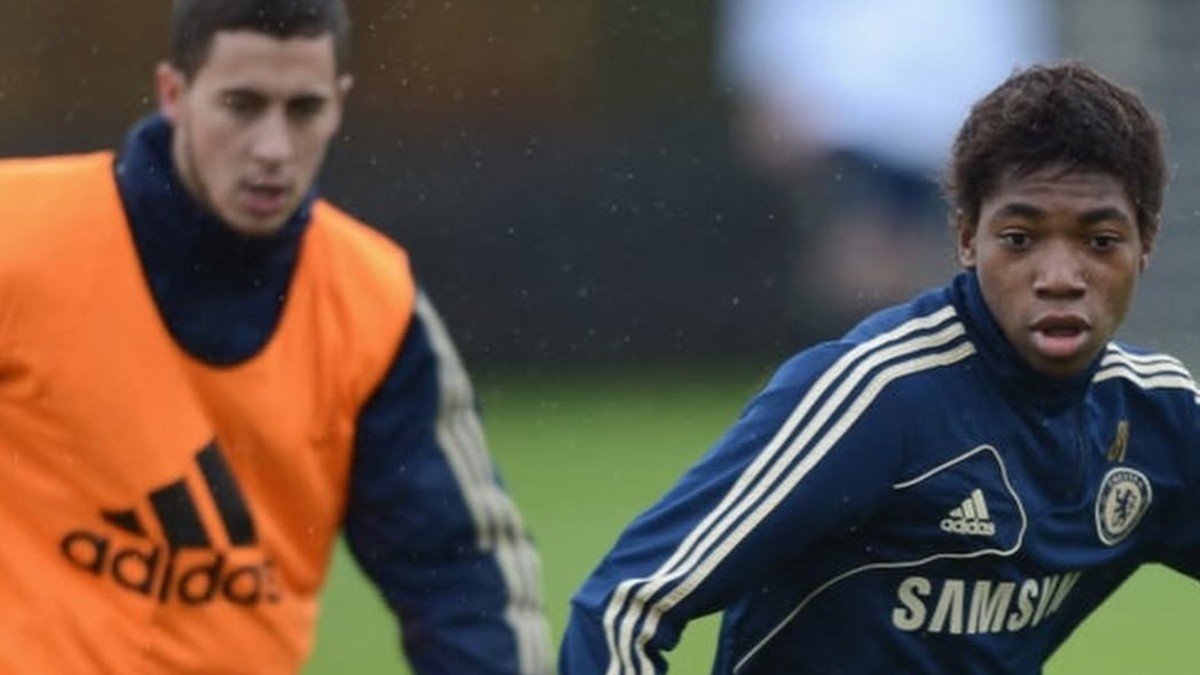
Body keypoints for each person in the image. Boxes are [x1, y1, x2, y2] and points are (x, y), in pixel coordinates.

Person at [560, 61, 1200, 673]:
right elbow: (626, 604)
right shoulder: (879, 397)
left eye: (1100, 242)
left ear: (1145, 243)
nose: (1060, 278)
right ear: (964, 238)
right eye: (1019, 239)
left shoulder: (1156, 418)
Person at [0, 1, 550, 673]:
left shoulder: (372, 304)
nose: (272, 148)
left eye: (303, 110)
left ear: (340, 105)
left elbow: (462, 578)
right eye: (242, 104)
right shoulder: (19, 237)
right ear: (174, 93)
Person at [718, 0, 1057, 342]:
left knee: (937, 265)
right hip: (852, 116)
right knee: (864, 265)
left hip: (952, 119)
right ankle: (859, 355)